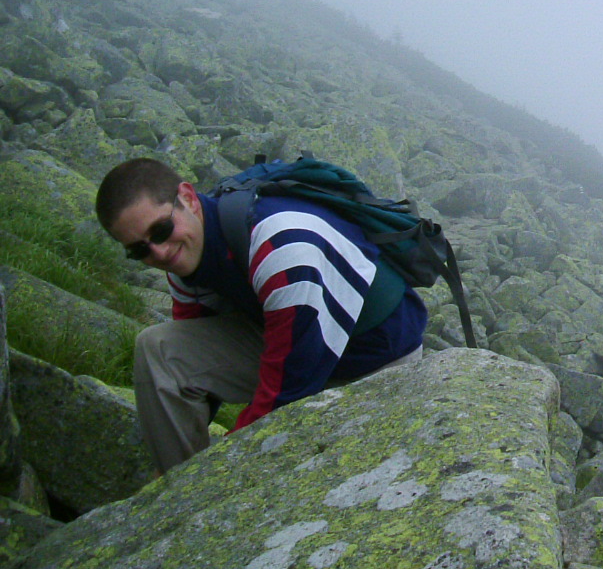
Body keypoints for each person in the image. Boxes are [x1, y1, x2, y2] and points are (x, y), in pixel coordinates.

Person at [96, 157, 428, 472]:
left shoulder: (283, 248)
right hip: (297, 344)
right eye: (139, 250)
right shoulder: (185, 254)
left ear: (188, 198)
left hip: (376, 363)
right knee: (160, 349)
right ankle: (174, 487)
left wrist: (216, 468)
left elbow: (286, 393)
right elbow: (196, 351)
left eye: (161, 230)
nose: (159, 252)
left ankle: (196, 491)